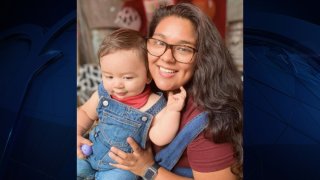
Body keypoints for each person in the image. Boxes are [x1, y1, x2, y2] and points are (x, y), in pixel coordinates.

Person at [108, 3, 243, 180]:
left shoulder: (208, 122)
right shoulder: (139, 84)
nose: (166, 57)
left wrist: (147, 169)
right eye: (158, 42)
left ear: (203, 57)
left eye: (183, 48)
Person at [77, 28, 187, 179]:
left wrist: (173, 111)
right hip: (89, 151)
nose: (117, 85)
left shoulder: (153, 104)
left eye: (127, 78)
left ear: (148, 76)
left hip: (121, 168)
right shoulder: (104, 94)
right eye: (109, 76)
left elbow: (160, 137)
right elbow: (84, 113)